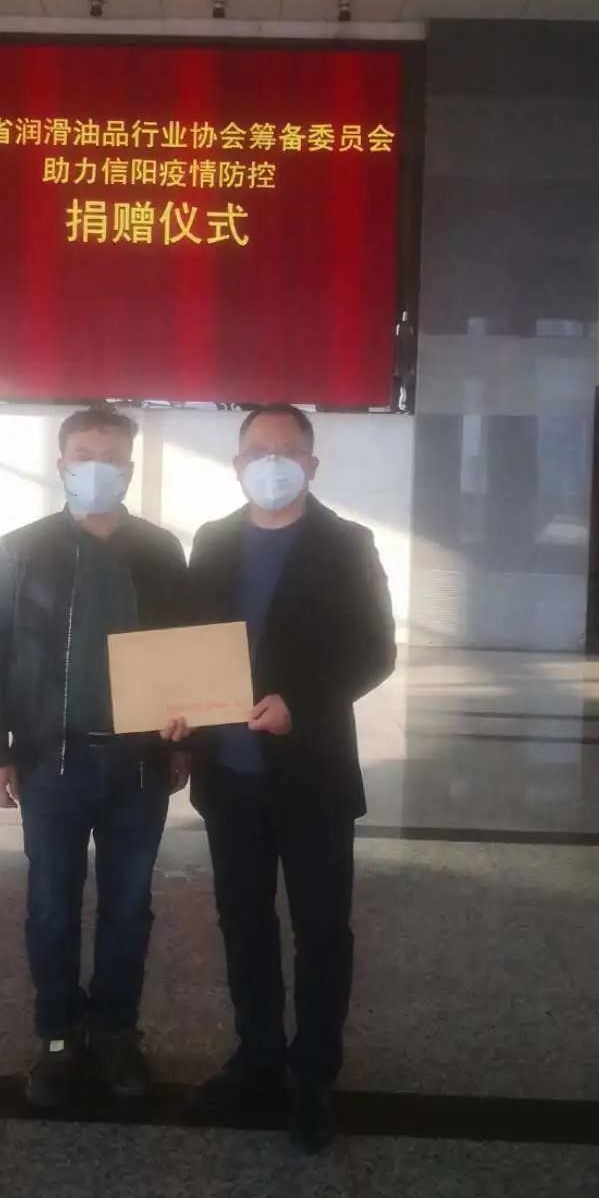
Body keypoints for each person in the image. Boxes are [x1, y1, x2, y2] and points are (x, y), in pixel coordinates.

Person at [170, 403, 396, 1153]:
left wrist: (302, 700)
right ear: (237, 466)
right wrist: (175, 709)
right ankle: (258, 1058)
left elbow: (375, 649)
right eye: (258, 451)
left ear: (311, 464)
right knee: (243, 922)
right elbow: (189, 644)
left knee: (322, 928)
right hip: (229, 776)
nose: (273, 463)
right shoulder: (214, 541)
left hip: (314, 777)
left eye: (288, 450)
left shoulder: (348, 543)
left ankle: (314, 1074)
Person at [0, 405, 190, 1109]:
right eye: (84, 455)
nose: (97, 468)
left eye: (111, 457)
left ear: (129, 468)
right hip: (50, 763)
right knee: (51, 905)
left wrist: (184, 742)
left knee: (129, 907)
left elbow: (183, 648)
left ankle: (117, 1032)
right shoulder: (21, 549)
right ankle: (60, 1036)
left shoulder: (159, 550)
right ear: (61, 463)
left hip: (139, 766)